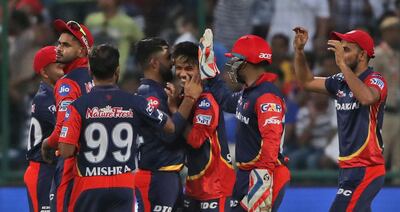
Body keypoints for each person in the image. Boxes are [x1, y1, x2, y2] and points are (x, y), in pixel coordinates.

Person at [57, 44, 202, 212]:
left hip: (89, 183)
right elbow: (171, 127)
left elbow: (66, 150)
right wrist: (189, 99)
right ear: (117, 70)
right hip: (123, 185)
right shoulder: (135, 102)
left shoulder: (77, 106)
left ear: (90, 71)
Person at [293, 27, 387, 211]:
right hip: (347, 168)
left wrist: (342, 66)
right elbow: (306, 81)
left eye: (346, 50)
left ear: (362, 55)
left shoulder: (376, 79)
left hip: (367, 168)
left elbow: (367, 98)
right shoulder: (339, 81)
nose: (341, 54)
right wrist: (299, 52)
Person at [200, 30, 290, 212]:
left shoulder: (266, 96)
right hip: (246, 175)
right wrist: (210, 73)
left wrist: (263, 176)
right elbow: (225, 100)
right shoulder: (249, 93)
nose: (231, 65)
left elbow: (271, 139)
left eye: (235, 60)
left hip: (264, 175)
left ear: (247, 63)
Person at [133, 38, 196, 212]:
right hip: (157, 178)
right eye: (168, 58)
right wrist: (188, 101)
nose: (173, 62)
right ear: (154, 63)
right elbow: (168, 134)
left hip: (168, 175)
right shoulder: (149, 96)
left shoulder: (160, 91)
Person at [171, 41, 235, 211]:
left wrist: (174, 111)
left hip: (215, 187)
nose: (182, 73)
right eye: (179, 67)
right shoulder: (184, 97)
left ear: (200, 69)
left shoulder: (206, 99)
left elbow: (196, 139)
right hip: (194, 186)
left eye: (188, 68)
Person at [41, 19, 94, 212]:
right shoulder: (99, 77)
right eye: (58, 43)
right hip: (102, 166)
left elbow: (63, 129)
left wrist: (48, 143)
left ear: (82, 51)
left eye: (66, 45)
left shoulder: (67, 83)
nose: (58, 48)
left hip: (73, 164)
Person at [25, 46, 64, 212]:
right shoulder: (44, 98)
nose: (64, 68)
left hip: (55, 167)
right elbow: (64, 128)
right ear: (45, 72)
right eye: (58, 65)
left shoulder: (61, 94)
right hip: (42, 169)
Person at [371, 16, 400, 184]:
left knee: (399, 160)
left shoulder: (398, 54)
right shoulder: (377, 55)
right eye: (394, 31)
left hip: (399, 112)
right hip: (384, 113)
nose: (397, 35)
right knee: (380, 156)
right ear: (385, 33)